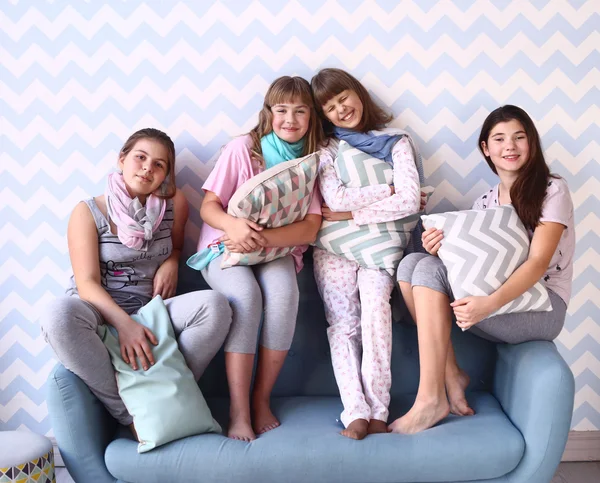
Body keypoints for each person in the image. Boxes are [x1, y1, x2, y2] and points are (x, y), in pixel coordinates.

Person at [390, 105, 574, 434]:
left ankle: (431, 399)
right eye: (499, 139)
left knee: (430, 271)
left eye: (519, 137)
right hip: (489, 308)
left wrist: (488, 304)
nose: (510, 146)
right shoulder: (486, 203)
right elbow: (472, 266)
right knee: (414, 263)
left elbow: (537, 263)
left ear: (531, 143)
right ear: (486, 149)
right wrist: (439, 248)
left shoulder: (552, 189)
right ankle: (452, 376)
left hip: (542, 306)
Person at [41, 128, 232, 436]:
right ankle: (129, 415)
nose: (147, 168)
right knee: (57, 315)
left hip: (148, 309)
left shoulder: (175, 204)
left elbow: (178, 246)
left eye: (159, 164)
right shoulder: (88, 211)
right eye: (140, 158)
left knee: (215, 306)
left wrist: (171, 262)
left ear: (166, 174)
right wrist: (124, 326)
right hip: (98, 310)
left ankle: (171, 396)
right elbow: (86, 282)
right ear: (122, 159)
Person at [193, 76, 324, 441]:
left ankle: (260, 397)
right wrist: (234, 226)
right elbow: (208, 207)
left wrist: (261, 239)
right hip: (225, 247)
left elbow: (310, 228)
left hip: (275, 249)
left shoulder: (311, 162)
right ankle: (238, 409)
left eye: (300, 111)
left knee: (284, 294)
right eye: (282, 110)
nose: (290, 120)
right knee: (245, 298)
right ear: (269, 113)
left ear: (312, 117)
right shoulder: (243, 150)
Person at [310, 68, 421, 439]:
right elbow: (333, 199)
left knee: (377, 315)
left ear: (358, 94)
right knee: (343, 325)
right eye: (330, 107)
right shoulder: (324, 149)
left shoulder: (397, 142)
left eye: (344, 98)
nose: (341, 110)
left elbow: (410, 201)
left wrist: (353, 214)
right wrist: (387, 185)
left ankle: (379, 409)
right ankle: (355, 411)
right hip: (334, 248)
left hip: (380, 247)